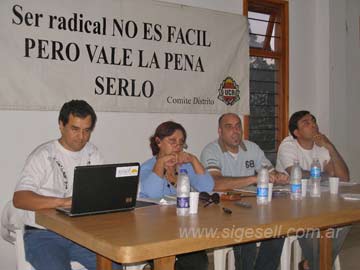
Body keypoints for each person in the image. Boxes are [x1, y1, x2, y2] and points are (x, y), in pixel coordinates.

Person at [12, 100, 122, 270]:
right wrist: (63, 202)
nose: (81, 137)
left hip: (81, 233)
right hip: (43, 234)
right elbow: (20, 199)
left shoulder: (92, 152)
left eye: (87, 131)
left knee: (114, 267)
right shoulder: (44, 155)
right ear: (61, 125)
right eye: (75, 129)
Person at [200, 113, 288, 270]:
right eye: (229, 127)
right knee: (247, 236)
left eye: (238, 126)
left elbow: (270, 172)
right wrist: (253, 178)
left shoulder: (252, 147)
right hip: (223, 211)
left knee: (278, 230)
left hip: (251, 206)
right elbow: (215, 183)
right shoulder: (211, 151)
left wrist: (279, 177)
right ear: (220, 131)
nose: (235, 131)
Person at [276, 110, 350, 270]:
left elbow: (343, 178)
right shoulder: (288, 145)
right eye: (306, 122)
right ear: (296, 132)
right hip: (290, 202)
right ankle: (318, 265)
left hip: (318, 200)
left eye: (313, 121)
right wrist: (325, 174)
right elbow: (296, 173)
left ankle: (311, 264)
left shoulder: (321, 147)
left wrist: (330, 147)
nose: (314, 124)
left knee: (345, 220)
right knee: (308, 220)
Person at [139, 121, 214, 270]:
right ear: (158, 142)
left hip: (184, 229)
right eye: (172, 141)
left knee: (199, 263)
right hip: (156, 232)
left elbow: (208, 188)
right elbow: (153, 194)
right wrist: (161, 162)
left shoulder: (184, 167)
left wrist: (193, 160)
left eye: (181, 143)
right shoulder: (147, 168)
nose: (177, 146)